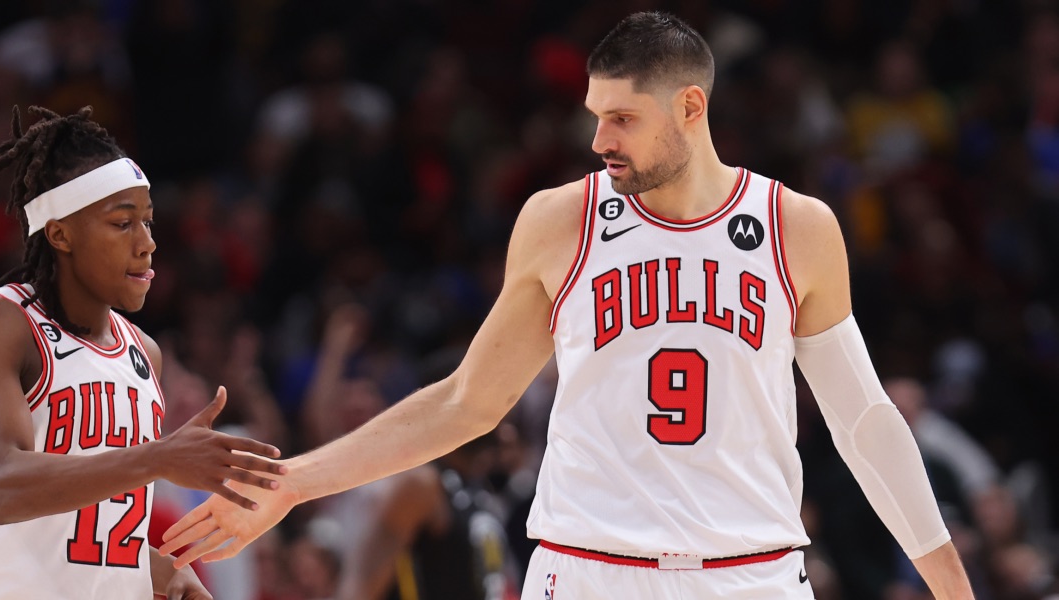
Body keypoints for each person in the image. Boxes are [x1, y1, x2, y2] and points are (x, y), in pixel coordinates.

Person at [161, 12, 976, 599]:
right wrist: (297, 482)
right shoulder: (562, 221)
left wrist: (949, 582)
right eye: (596, 116)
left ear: (690, 107)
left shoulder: (795, 227)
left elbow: (864, 419)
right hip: (589, 569)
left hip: (751, 574)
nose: (599, 140)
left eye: (621, 118)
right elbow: (466, 401)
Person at [0, 106, 285, 600]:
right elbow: (1, 484)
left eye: (148, 222)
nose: (147, 244)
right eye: (123, 224)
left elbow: (84, 523)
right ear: (60, 233)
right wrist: (157, 459)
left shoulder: (145, 353)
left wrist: (158, 570)